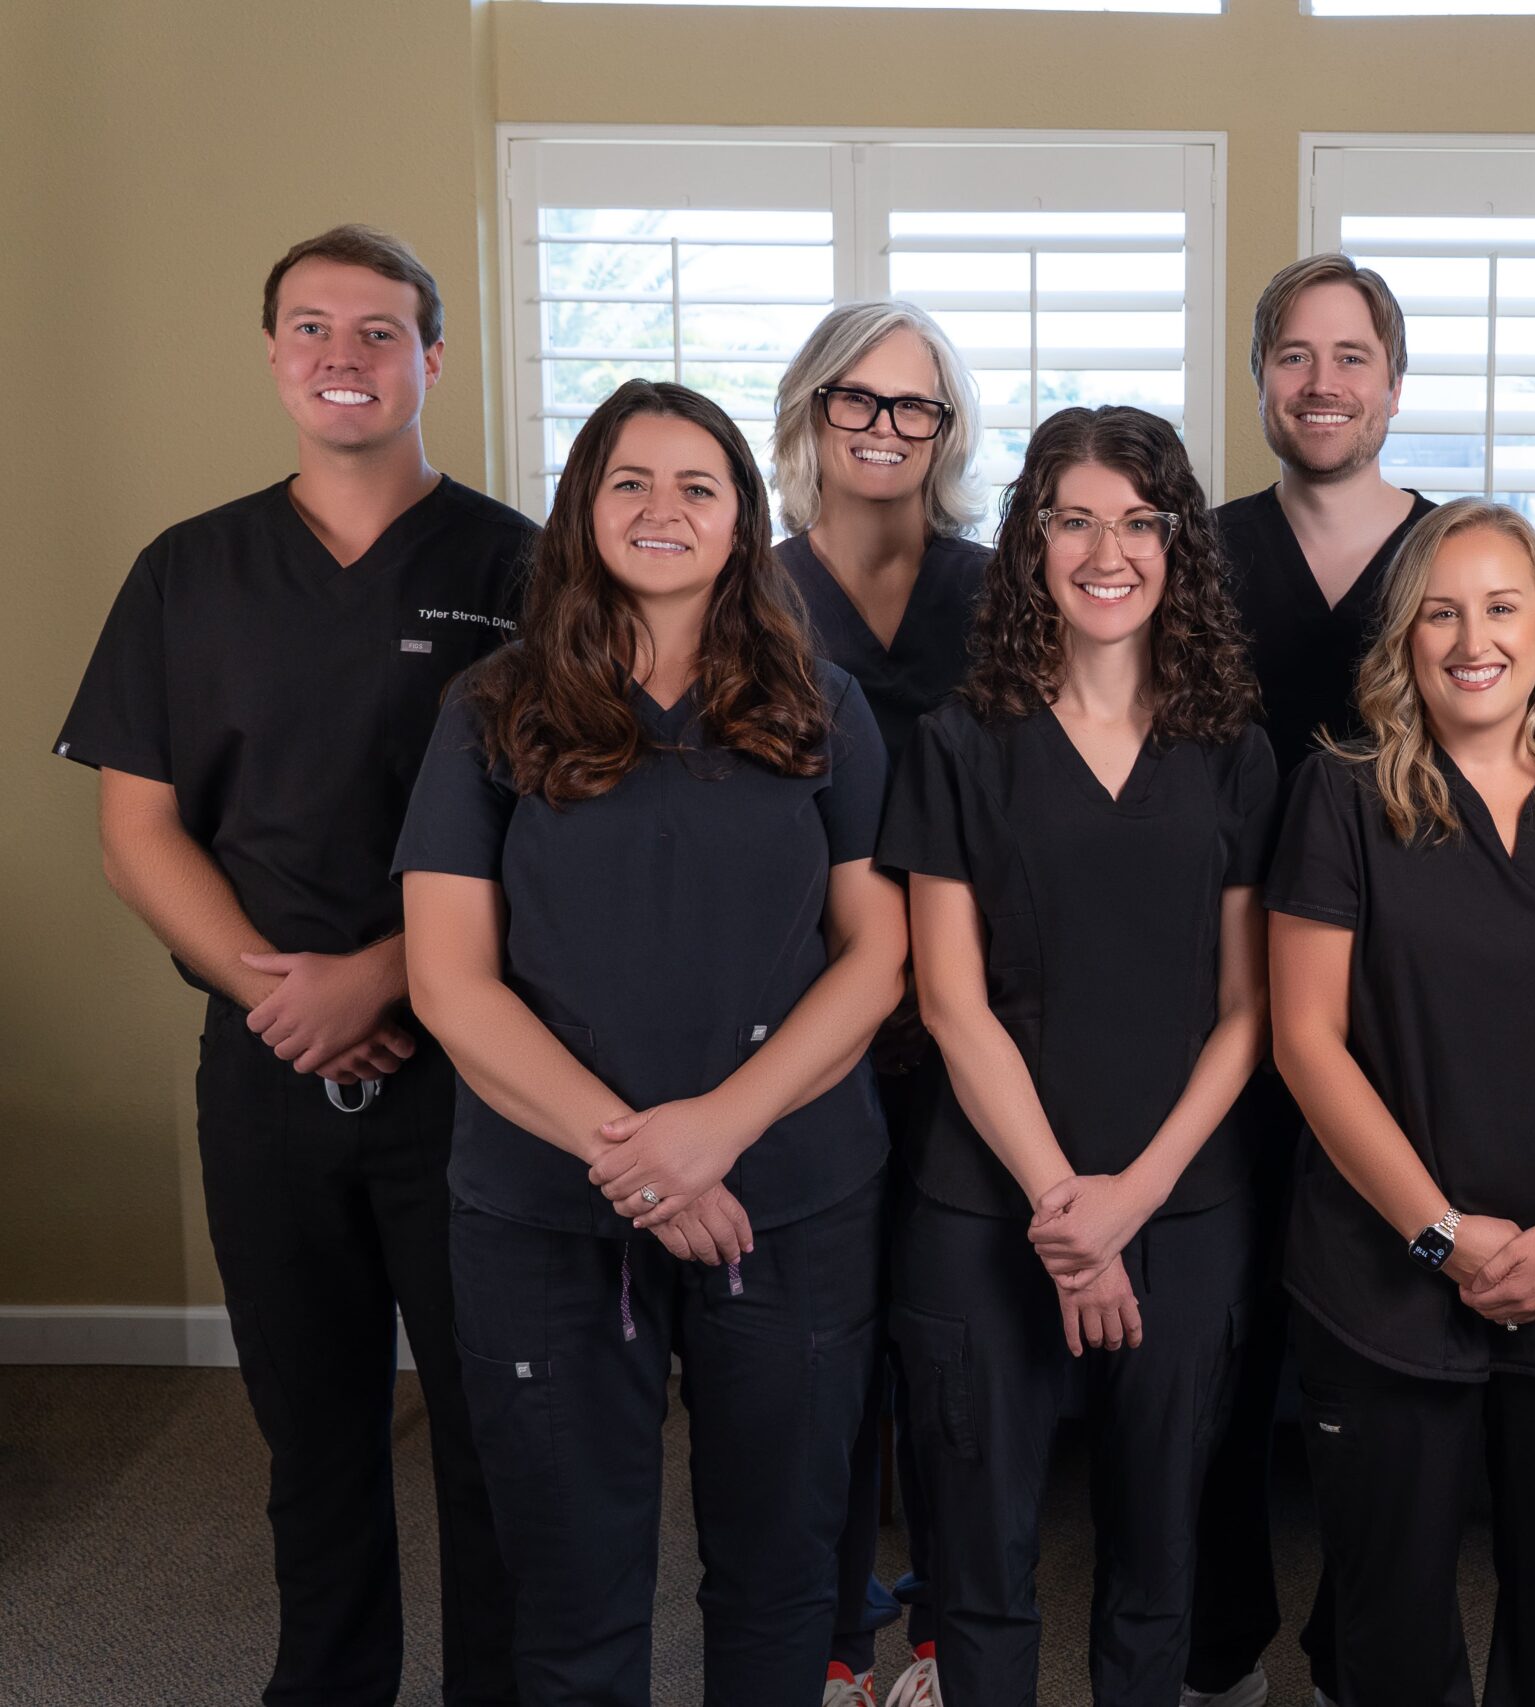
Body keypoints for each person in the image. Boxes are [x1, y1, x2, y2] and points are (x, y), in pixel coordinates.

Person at [54, 224, 528, 1707]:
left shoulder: (521, 565)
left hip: (477, 1071)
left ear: (430, 359)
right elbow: (138, 831)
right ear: (273, 355)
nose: (343, 354)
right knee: (313, 1431)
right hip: (263, 1066)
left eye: (378, 330)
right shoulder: (188, 571)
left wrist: (385, 976)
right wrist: (289, 994)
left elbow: (560, 827)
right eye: (311, 328)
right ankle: (325, 1681)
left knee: (489, 1429)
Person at [396, 380, 909, 1705]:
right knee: (571, 1586)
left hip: (788, 1196)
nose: (663, 508)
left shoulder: (824, 707)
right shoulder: (489, 710)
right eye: (630, 481)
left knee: (783, 1573)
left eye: (699, 485)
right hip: (544, 1210)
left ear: (744, 522)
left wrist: (715, 1130)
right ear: (583, 508)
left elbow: (878, 954)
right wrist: (633, 1157)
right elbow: (451, 980)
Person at [877, 405, 1276, 1707]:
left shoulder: (1234, 752)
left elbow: (1246, 1009)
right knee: (978, 1560)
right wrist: (1069, 1210)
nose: (1109, 548)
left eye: (1139, 520)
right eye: (1075, 517)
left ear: (1177, 544)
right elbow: (948, 998)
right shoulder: (958, 741)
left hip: (1182, 1205)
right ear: (1032, 539)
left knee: (1159, 1552)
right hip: (988, 1202)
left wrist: (1129, 1205)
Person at [1267, 498, 1535, 1707]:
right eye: (1441, 612)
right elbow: (1305, 1041)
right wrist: (1443, 1237)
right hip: (1386, 1267)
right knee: (1389, 1615)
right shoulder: (1341, 796)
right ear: (1403, 637)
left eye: (1502, 607)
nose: (1472, 639)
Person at [1186, 249, 1435, 1707]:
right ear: (1262, 378)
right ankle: (1220, 1645)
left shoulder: (1460, 552)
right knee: (1226, 1337)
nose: (1322, 382)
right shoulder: (1197, 550)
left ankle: (1359, 1643)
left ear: (1393, 383)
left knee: (1377, 1346)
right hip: (1222, 999)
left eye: (1351, 357)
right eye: (1295, 355)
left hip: (1401, 1016)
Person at [770, 299, 991, 1707]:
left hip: (976, 1015)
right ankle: (839, 1629)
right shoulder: (752, 592)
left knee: (958, 1343)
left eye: (915, 406)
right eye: (859, 400)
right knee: (826, 1345)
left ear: (945, 433)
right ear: (810, 412)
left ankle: (945, 1630)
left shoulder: (996, 588)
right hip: (810, 1017)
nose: (885, 429)